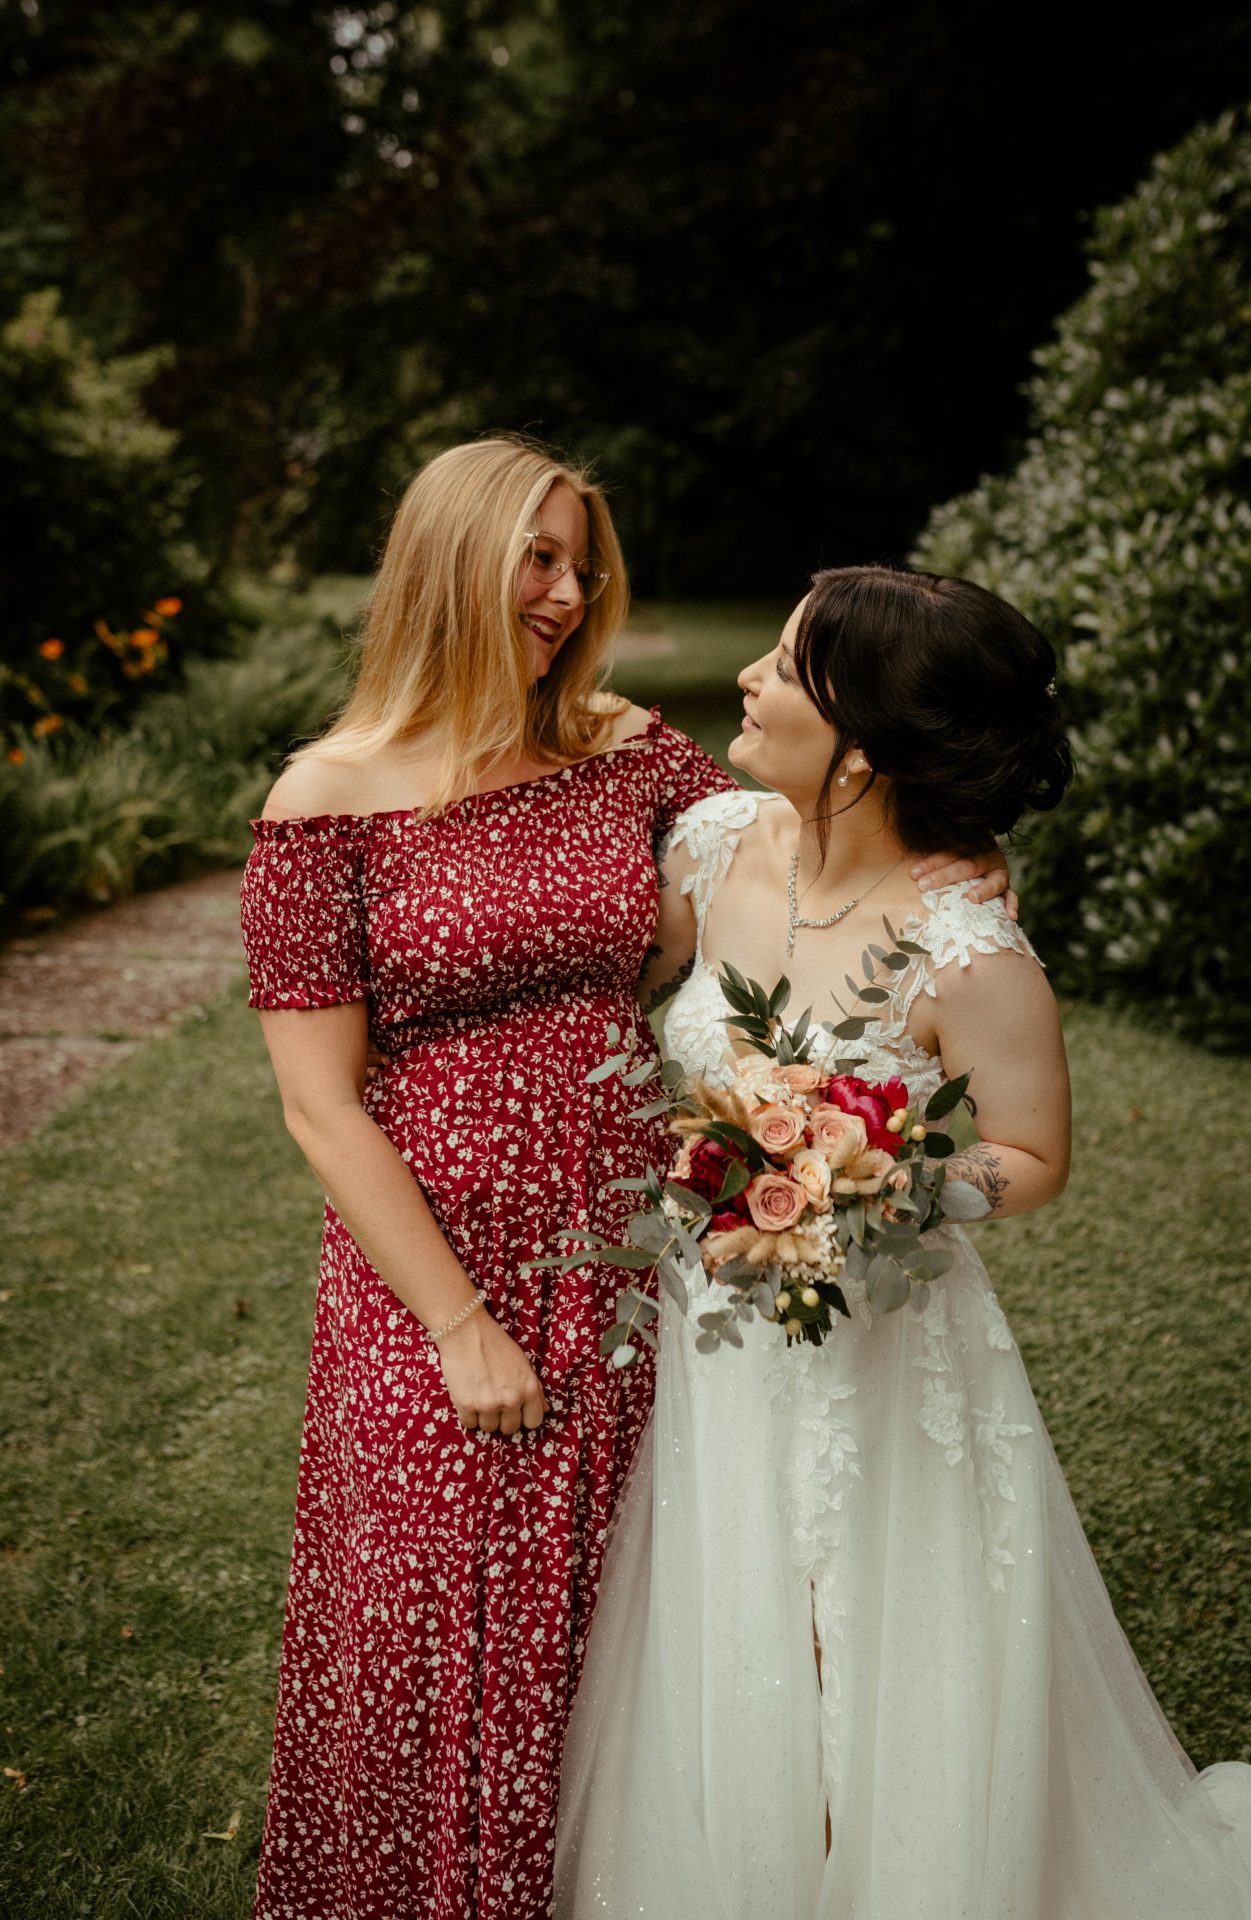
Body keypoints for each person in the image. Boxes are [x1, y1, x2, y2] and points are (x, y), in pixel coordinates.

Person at [239, 442, 1011, 1920]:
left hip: (630, 1243)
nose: (567, 591)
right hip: (432, 1260)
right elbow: (318, 1104)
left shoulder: (621, 747)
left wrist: (958, 863)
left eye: (581, 562)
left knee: (614, 1608)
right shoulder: (320, 800)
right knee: (426, 1609)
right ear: (448, 561)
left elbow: (810, 826)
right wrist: (459, 1324)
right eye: (536, 557)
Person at [554, 565, 1251, 1919]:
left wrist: (869, 1184)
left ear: (863, 749)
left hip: (885, 1354)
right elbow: (617, 994)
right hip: (718, 1341)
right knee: (738, 1611)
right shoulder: (711, 845)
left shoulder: (967, 948)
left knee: (879, 1628)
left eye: (784, 666)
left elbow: (1033, 1157)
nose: (748, 680)